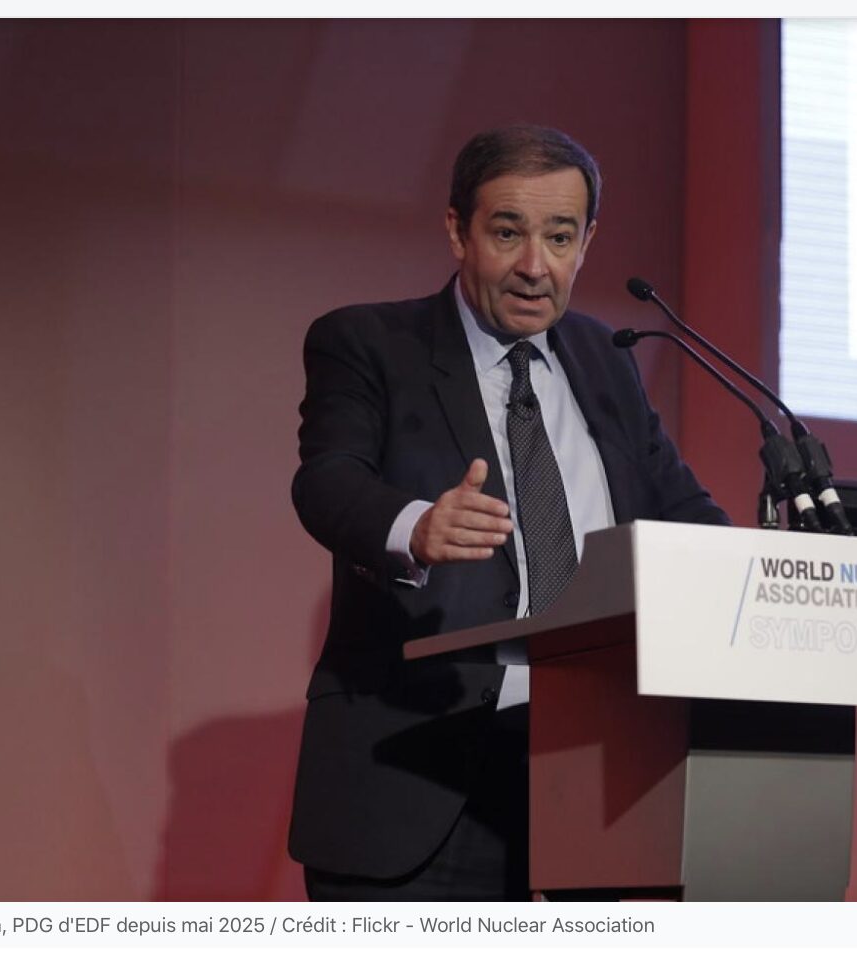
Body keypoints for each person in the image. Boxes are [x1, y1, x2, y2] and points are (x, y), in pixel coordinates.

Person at [288, 125, 730, 901]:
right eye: (507, 233)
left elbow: (682, 510)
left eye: (559, 237)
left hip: (600, 770)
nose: (535, 266)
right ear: (457, 230)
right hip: (423, 768)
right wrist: (414, 525)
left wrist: (774, 578)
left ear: (587, 242)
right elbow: (328, 480)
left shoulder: (605, 358)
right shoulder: (369, 342)